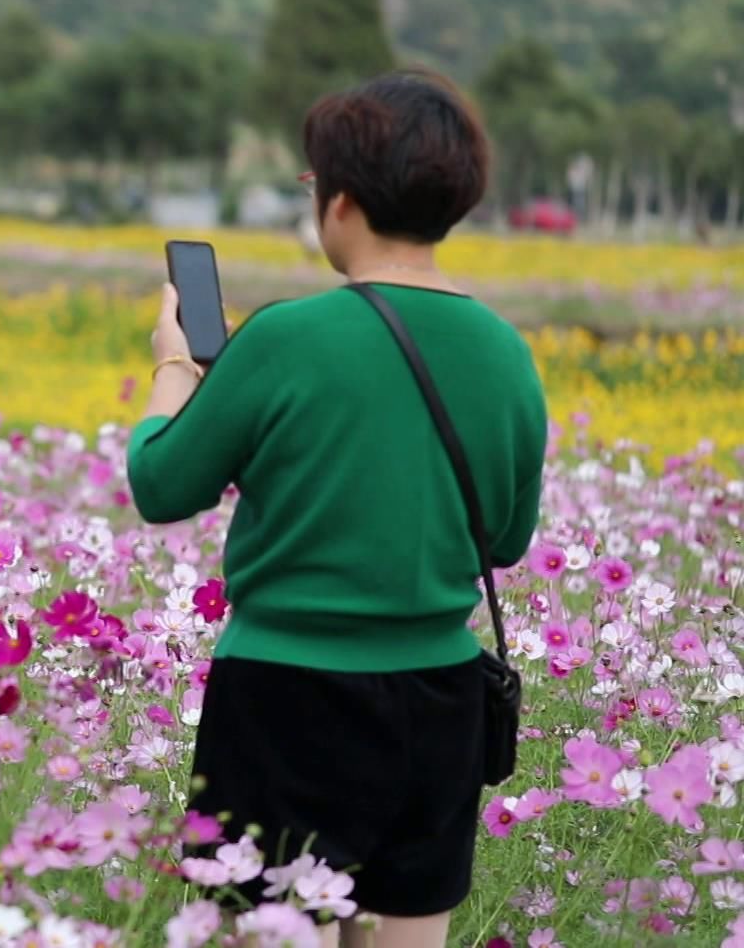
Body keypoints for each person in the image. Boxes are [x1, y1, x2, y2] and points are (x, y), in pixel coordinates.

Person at [127, 70, 546, 948]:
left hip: (288, 699)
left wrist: (175, 367)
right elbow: (502, 540)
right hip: (438, 704)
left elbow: (162, 484)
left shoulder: (285, 338)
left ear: (343, 201)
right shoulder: (506, 353)